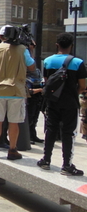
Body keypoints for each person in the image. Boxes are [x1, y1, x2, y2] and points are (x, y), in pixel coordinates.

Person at [37, 33, 87, 176]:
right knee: (68, 133)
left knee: (51, 130)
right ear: (71, 46)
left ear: (57, 45)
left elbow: (47, 82)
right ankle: (66, 165)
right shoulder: (78, 63)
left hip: (52, 102)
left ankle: (46, 160)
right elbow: (83, 86)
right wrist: (73, 93)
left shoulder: (48, 61)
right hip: (70, 103)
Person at [0, 25, 35, 160]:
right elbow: (32, 67)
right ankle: (13, 150)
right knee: (14, 122)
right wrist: (30, 51)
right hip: (16, 90)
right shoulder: (22, 50)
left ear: (3, 36)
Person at [26, 68, 44, 144]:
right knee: (29, 118)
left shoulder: (38, 79)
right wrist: (40, 90)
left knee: (34, 119)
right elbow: (29, 91)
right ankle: (27, 136)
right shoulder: (27, 79)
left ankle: (33, 135)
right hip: (30, 100)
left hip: (37, 99)